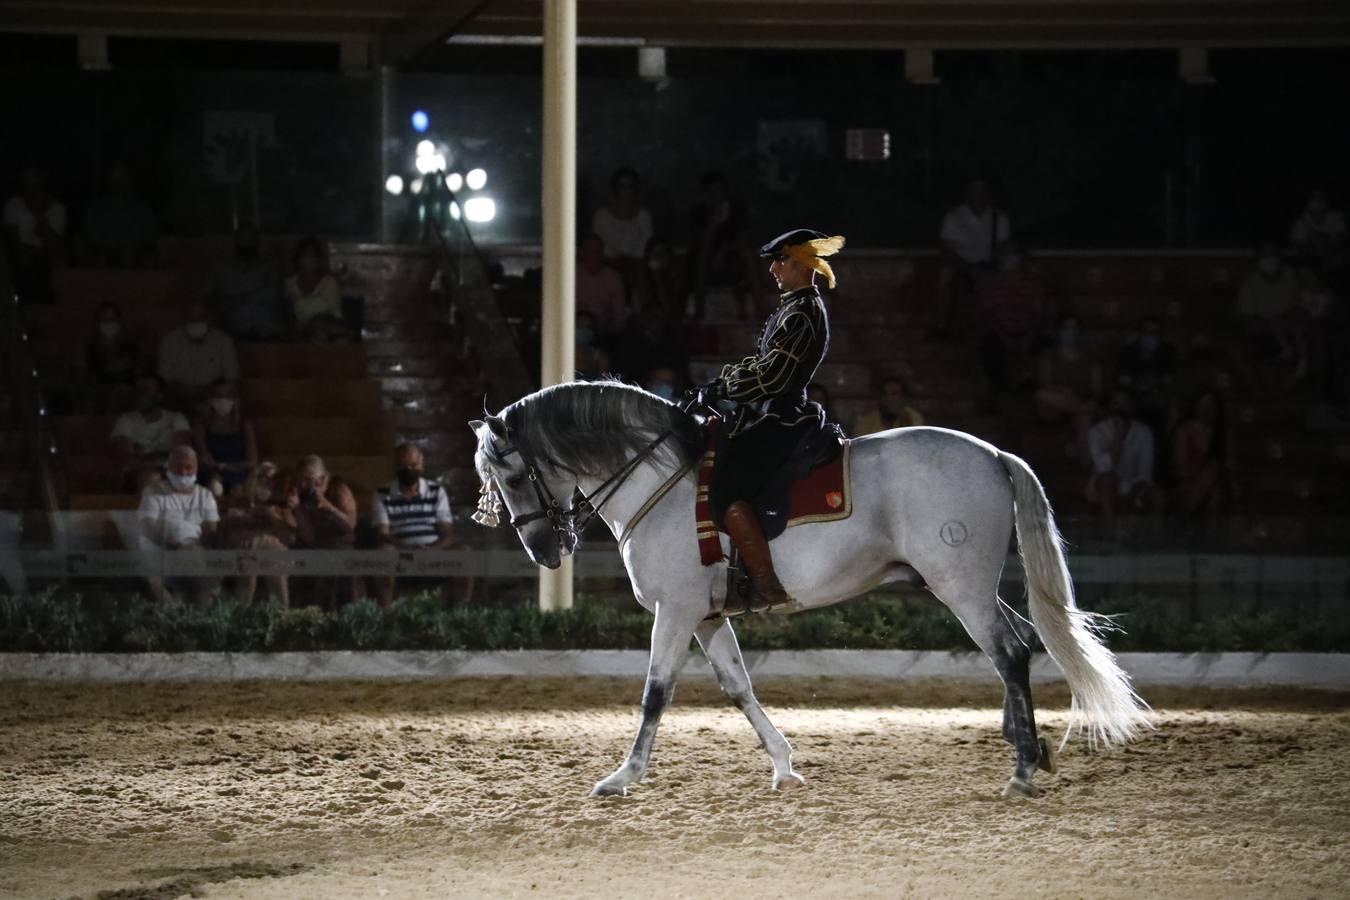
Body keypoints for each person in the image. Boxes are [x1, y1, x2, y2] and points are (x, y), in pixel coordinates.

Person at [700, 228, 844, 615]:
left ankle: (765, 584)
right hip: (764, 412)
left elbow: (774, 376)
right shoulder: (791, 307)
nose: (773, 269)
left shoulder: (804, 312)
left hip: (780, 416)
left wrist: (725, 387)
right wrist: (721, 383)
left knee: (728, 494)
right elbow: (761, 364)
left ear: (802, 263)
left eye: (780, 261)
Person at [371, 443, 460, 607]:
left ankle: (460, 614)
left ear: (421, 466)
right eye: (404, 466)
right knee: (384, 553)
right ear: (395, 467)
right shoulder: (382, 494)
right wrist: (407, 548)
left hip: (433, 552)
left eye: (413, 465)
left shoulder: (436, 491)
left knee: (464, 554)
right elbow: (382, 533)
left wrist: (430, 550)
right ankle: (385, 616)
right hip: (399, 552)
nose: (409, 470)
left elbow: (448, 533)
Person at [138, 445, 220, 606]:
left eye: (188, 467)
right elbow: (148, 527)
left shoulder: (205, 496)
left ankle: (200, 614)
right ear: (168, 468)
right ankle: (174, 615)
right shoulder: (153, 492)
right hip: (161, 551)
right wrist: (175, 546)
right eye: (177, 467)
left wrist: (193, 548)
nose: (183, 472)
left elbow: (211, 531)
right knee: (154, 579)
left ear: (196, 469)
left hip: (195, 553)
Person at [936, 177, 1011, 336]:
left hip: (989, 271)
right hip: (962, 270)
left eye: (982, 191)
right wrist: (970, 269)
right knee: (946, 281)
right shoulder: (953, 217)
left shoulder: (999, 218)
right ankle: (943, 326)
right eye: (975, 191)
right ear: (967, 193)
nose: (979, 195)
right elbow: (947, 251)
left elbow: (1002, 249)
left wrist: (988, 270)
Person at [975, 240, 1045, 411]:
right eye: (1007, 254)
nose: (1011, 259)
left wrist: (1027, 337)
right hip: (999, 333)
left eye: (1014, 254)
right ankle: (996, 395)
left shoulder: (1031, 283)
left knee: (1043, 345)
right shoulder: (990, 284)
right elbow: (988, 315)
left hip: (1027, 333)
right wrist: (1005, 337)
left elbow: (1038, 313)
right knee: (988, 347)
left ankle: (1035, 395)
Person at [217, 462, 297, 607]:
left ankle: (282, 619)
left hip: (271, 553)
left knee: (273, 559)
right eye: (262, 476)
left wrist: (273, 518)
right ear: (253, 477)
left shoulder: (281, 507)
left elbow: (291, 538)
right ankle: (241, 617)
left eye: (272, 479)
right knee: (249, 559)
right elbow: (224, 528)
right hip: (241, 549)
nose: (267, 481)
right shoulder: (237, 496)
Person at [688, 171, 761, 321]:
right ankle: (699, 311)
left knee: (745, 254)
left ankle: (760, 307)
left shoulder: (737, 210)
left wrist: (724, 250)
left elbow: (743, 239)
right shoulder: (699, 212)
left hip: (733, 259)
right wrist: (713, 223)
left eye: (719, 189)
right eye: (711, 191)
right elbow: (702, 242)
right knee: (701, 258)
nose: (716, 195)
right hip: (706, 262)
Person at [289, 455, 359, 607]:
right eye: (301, 479)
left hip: (342, 548)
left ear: (323, 478)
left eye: (309, 479)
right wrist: (297, 509)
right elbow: (310, 537)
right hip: (315, 548)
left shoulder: (339, 490)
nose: (304, 484)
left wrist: (328, 506)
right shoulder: (301, 497)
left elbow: (350, 526)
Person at [1086, 388, 1158, 526]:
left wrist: (1133, 490)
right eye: (1116, 403)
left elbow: (1145, 472)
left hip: (1134, 484)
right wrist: (1118, 437)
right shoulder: (1097, 432)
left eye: (1125, 403)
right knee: (1107, 480)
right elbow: (1103, 467)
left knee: (1156, 497)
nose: (1120, 408)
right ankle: (1110, 530)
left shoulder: (1144, 432)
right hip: (1102, 483)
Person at [202, 224, 284, 341]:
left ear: (257, 242)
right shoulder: (221, 268)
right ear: (235, 242)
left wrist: (243, 298)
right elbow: (203, 295)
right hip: (232, 325)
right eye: (243, 239)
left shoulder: (269, 266)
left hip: (265, 328)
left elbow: (274, 293)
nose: (247, 243)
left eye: (251, 239)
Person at [111, 375, 193, 491]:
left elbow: (182, 454)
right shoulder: (126, 420)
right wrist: (158, 459)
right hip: (136, 475)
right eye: (138, 390)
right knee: (150, 477)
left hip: (171, 474)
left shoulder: (176, 418)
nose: (140, 395)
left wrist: (146, 455)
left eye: (146, 390)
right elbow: (126, 457)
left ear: (159, 396)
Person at [1036, 314, 1101, 459]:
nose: (1070, 332)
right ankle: (1080, 409)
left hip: (1083, 403)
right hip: (1055, 403)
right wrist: (1064, 392)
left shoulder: (1089, 358)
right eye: (1066, 328)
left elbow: (1097, 388)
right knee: (1042, 395)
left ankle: (1084, 460)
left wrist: (1088, 401)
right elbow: (1044, 385)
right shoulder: (1049, 356)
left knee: (1084, 417)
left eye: (1074, 328)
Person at [1235, 242, 1304, 378]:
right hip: (1266, 332)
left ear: (1279, 256)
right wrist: (1271, 325)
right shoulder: (1249, 284)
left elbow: (1302, 303)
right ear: (1258, 259)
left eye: (1272, 254)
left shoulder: (1292, 276)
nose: (1269, 259)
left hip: (1294, 328)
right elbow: (1246, 319)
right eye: (1264, 255)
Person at [157, 300, 239, 413]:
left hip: (212, 397)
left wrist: (211, 396)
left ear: (209, 318)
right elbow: (165, 378)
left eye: (200, 317)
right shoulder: (169, 341)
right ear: (184, 317)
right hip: (178, 397)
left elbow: (231, 377)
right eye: (191, 318)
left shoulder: (224, 341)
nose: (195, 321)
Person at [2, 167, 66, 303]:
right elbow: (12, 239)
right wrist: (26, 253)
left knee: (51, 263)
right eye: (27, 183)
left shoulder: (58, 208)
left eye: (35, 183)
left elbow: (52, 244)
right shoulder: (13, 204)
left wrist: (39, 214)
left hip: (46, 257)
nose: (31, 188)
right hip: (19, 254)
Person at [82, 162, 157, 268]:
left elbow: (149, 235)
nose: (119, 182)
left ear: (129, 179)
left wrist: (132, 248)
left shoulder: (142, 209)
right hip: (104, 255)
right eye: (115, 177)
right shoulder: (97, 209)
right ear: (109, 180)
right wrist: (109, 248)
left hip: (134, 258)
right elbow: (91, 234)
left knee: (130, 257)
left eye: (122, 177)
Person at [78, 301, 146, 414]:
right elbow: (80, 374)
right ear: (97, 322)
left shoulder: (132, 344)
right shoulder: (87, 345)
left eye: (113, 320)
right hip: (97, 391)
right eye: (105, 321)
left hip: (128, 390)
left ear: (120, 321)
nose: (109, 324)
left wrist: (128, 369)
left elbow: (141, 370)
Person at [192, 379, 258, 496]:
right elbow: (203, 458)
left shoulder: (244, 425)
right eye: (218, 396)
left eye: (228, 395)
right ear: (210, 399)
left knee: (238, 489)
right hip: (210, 474)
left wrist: (225, 466)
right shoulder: (201, 425)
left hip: (238, 473)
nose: (223, 400)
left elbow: (252, 462)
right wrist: (211, 467)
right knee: (214, 486)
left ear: (235, 399)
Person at [1172, 390, 1229, 520]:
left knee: (1216, 489)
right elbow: (1180, 467)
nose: (1206, 409)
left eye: (1210, 405)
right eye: (1202, 404)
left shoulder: (1221, 432)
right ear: (1195, 406)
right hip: (1187, 480)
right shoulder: (1183, 430)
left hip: (1214, 482)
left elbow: (1226, 464)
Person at [285, 235, 349, 343]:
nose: (309, 259)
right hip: (298, 335)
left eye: (312, 255)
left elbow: (337, 317)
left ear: (318, 259)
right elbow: (286, 316)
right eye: (305, 255)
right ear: (298, 258)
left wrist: (318, 323)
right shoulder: (289, 284)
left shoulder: (330, 283)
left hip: (326, 331)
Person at [592, 167, 653, 268]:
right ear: (615, 188)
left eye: (630, 186)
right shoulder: (601, 216)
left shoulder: (644, 216)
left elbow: (648, 247)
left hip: (638, 269)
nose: (627, 189)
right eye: (622, 186)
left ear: (636, 188)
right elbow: (596, 247)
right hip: (607, 269)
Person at [575, 233, 627, 341]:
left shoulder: (614, 278)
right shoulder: (569, 276)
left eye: (599, 252)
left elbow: (619, 319)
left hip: (604, 335)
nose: (596, 256)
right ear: (581, 253)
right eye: (591, 252)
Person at [1289, 188, 1346, 272]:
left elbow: (1341, 240)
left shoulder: (1336, 216)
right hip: (1314, 265)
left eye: (1320, 197)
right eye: (1314, 197)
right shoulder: (1301, 221)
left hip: (1338, 262)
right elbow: (1300, 248)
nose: (1318, 201)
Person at [852, 376, 923, 436]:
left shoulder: (913, 417)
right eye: (885, 394)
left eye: (894, 394)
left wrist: (905, 422)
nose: (889, 399)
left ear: (903, 398)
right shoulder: (865, 424)